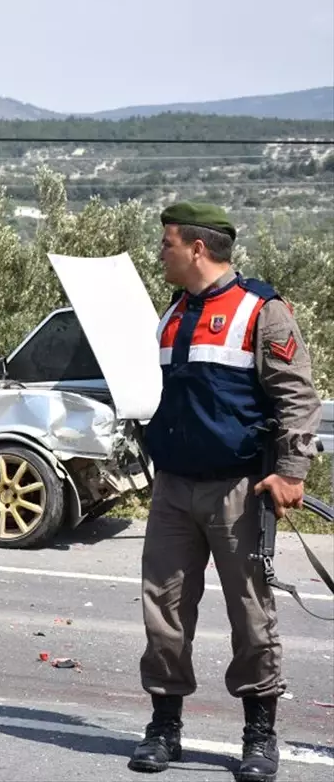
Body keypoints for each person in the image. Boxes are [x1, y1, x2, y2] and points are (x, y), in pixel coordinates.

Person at [129, 202, 322, 781]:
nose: (159, 253)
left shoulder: (261, 311)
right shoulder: (173, 312)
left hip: (238, 490)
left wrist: (291, 471)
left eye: (166, 243)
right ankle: (165, 728)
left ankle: (259, 738)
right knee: (162, 610)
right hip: (172, 489)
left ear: (196, 248)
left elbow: (299, 397)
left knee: (250, 616)